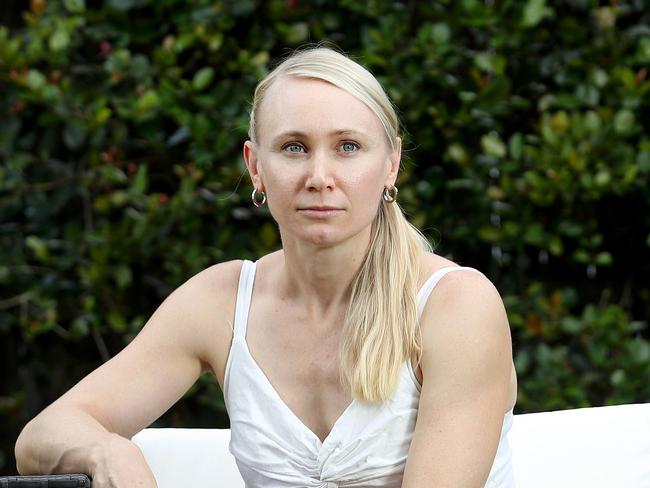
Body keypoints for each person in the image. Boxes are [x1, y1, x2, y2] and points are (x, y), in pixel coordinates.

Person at [15, 46, 517, 487]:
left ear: (390, 164)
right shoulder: (222, 302)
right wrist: (109, 450)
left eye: (348, 147)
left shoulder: (455, 306)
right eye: (293, 148)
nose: (320, 177)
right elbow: (41, 437)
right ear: (256, 165)